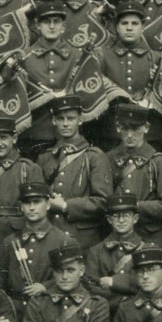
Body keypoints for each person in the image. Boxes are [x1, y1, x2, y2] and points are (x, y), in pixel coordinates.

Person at [38, 94, 111, 250]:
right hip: (50, 237)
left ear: (80, 120)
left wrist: (65, 205)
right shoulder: (45, 157)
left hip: (83, 240)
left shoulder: (94, 157)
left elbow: (104, 202)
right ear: (53, 121)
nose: (65, 124)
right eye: (60, 119)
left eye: (70, 118)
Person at [18, 1, 86, 155]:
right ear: (37, 26)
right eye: (46, 22)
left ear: (63, 27)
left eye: (56, 22)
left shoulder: (77, 55)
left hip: (70, 132)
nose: (52, 26)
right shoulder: (25, 56)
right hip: (35, 132)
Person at [0, 180, 72, 318]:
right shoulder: (9, 242)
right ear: (21, 207)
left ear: (48, 204)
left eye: (37, 202)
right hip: (15, 313)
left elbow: (74, 279)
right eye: (27, 203)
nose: (31, 208)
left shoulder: (63, 241)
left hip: (50, 312)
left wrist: (46, 287)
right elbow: (1, 283)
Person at [104, 103, 162, 245]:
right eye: (125, 128)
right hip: (117, 239)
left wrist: (132, 206)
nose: (130, 135)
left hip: (151, 239)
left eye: (135, 128)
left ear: (146, 128)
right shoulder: (107, 159)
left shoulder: (160, 161)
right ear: (118, 127)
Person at [98, 1, 162, 149]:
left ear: (143, 27)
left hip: (148, 133)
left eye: (135, 23)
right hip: (112, 131)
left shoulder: (156, 58)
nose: (129, 28)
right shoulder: (103, 56)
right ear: (117, 27)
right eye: (124, 23)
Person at [0, 117, 47, 252]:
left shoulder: (27, 169)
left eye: (4, 138)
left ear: (14, 138)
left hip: (16, 236)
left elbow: (40, 209)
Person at [84, 192, 146, 311]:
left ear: (135, 218)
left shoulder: (145, 249)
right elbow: (91, 287)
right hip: (104, 313)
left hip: (136, 314)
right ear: (109, 220)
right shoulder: (96, 251)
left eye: (126, 215)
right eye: (116, 216)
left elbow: (146, 284)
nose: (121, 220)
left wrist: (114, 282)